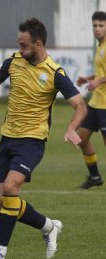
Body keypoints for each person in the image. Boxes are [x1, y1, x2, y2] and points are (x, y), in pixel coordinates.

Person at [0, 18, 87, 259]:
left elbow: (80, 105)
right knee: (1, 201)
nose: (20, 48)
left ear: (38, 44)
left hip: (32, 140)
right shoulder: (13, 61)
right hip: (7, 138)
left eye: (24, 45)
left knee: (10, 186)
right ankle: (48, 226)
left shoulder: (55, 73)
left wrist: (71, 128)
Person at [75, 11, 106, 189]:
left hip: (105, 105)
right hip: (96, 103)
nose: (97, 29)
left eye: (101, 25)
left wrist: (98, 81)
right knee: (81, 138)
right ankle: (95, 177)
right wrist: (89, 78)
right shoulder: (100, 46)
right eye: (95, 25)